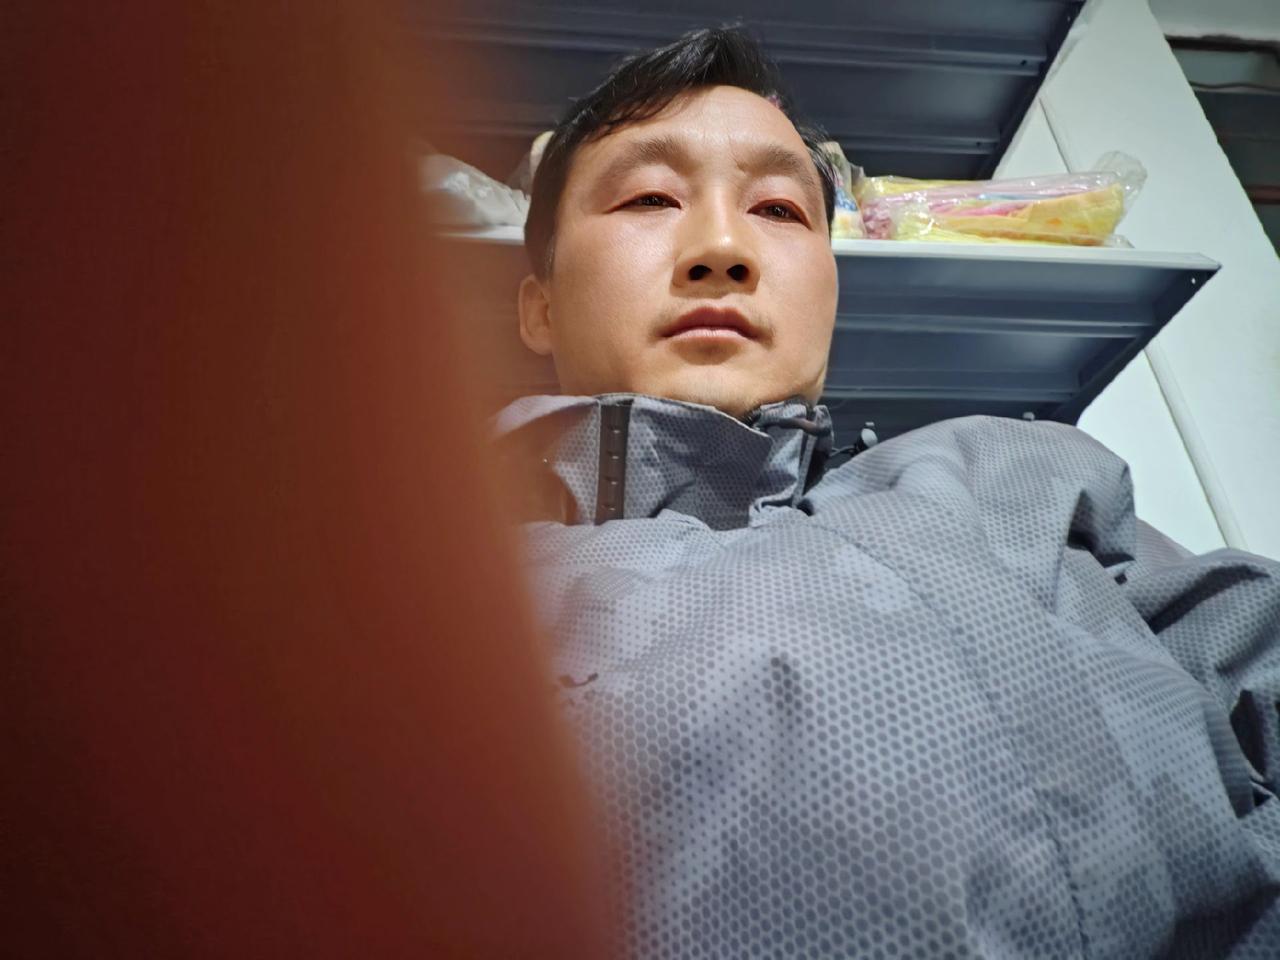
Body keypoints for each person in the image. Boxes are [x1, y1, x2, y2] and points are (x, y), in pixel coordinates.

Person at [498, 26, 1280, 958]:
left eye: (779, 210)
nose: (722, 248)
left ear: (832, 289)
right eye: (650, 197)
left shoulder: (1017, 484)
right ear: (540, 305)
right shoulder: (408, 589)